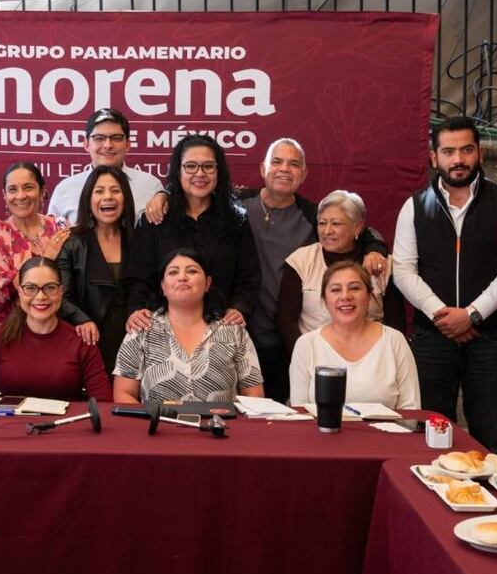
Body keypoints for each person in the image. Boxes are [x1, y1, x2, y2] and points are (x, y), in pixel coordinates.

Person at [142, 137, 390, 403]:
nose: (284, 169)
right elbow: (194, 190)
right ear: (262, 169)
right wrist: (164, 194)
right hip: (232, 329)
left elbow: (349, 227)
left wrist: (375, 246)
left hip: (283, 337)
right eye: (277, 161)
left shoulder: (312, 214)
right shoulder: (236, 206)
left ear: (303, 173)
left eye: (294, 164)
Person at [392, 116, 497, 454]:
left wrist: (473, 314)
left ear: (480, 153)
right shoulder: (414, 206)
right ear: (434, 157)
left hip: (490, 337)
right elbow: (403, 270)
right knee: (431, 434)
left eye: (466, 150)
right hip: (434, 338)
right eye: (448, 151)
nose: (458, 159)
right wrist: (442, 316)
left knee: (488, 436)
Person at [125, 134, 260, 334]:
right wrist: (136, 310)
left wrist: (239, 308)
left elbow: (248, 276)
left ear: (218, 171)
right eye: (190, 166)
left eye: (208, 166)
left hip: (222, 328)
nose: (200, 173)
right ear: (178, 171)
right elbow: (138, 277)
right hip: (161, 330)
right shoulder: (155, 219)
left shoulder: (236, 220)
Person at [113, 249, 264, 404]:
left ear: (207, 283)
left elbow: (255, 397)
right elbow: (123, 393)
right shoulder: (142, 328)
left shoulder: (233, 329)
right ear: (163, 287)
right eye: (173, 272)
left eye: (192, 271)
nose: (182, 277)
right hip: (159, 427)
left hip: (220, 426)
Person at [0, 257, 112, 401]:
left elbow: (103, 403)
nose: (40, 296)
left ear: (61, 292)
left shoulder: (82, 342)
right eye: (31, 288)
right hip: (8, 424)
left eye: (50, 288)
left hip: (67, 425)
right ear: (20, 293)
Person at [277, 190, 405, 354]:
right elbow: (286, 320)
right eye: (322, 223)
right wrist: (304, 356)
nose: (327, 231)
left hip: (373, 356)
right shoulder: (301, 261)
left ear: (357, 226)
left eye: (336, 223)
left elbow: (396, 324)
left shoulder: (382, 264)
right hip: (315, 357)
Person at [289, 261, 420, 409]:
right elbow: (299, 415)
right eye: (336, 290)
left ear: (369, 296)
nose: (345, 296)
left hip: (385, 432)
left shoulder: (394, 341)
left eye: (355, 288)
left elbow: (411, 411)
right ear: (325, 300)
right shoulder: (306, 344)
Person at [57, 165, 135, 376]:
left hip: (134, 340)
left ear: (125, 198)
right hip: (87, 338)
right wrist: (81, 319)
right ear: (88, 200)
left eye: (115, 190)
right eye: (99, 191)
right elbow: (61, 296)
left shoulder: (139, 240)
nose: (107, 197)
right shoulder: (72, 242)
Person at [0, 162, 70, 335]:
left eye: (28, 187)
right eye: (13, 189)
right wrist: (46, 260)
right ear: (5, 195)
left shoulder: (60, 227)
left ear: (42, 190)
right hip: (9, 331)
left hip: (56, 328)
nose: (21, 196)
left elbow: (73, 281)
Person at [47, 108, 162, 224]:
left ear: (128, 144)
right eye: (99, 138)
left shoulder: (151, 186)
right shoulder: (65, 189)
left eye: (116, 138)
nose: (107, 145)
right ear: (86, 144)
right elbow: (50, 235)